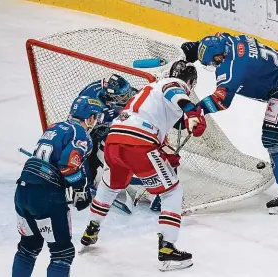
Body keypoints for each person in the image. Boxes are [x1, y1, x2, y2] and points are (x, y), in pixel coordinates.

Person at [180, 33, 278, 214]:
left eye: (214, 62)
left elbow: (221, 100)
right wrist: (197, 48)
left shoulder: (231, 68)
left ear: (219, 57)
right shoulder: (231, 40)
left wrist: (194, 111)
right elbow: (215, 41)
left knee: (272, 138)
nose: (214, 66)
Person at [80, 60, 203, 271]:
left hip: (115, 140)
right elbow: (176, 94)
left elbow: (159, 121)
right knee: (172, 193)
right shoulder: (175, 85)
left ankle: (91, 228)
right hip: (139, 143)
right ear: (190, 81)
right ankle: (167, 249)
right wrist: (193, 114)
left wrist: (165, 152)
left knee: (110, 186)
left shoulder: (150, 90)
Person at [12, 96, 103, 277]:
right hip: (46, 195)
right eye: (96, 117)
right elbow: (67, 166)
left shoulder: (54, 127)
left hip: (22, 191)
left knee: (28, 247)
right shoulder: (81, 134)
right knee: (62, 254)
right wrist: (81, 189)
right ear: (90, 117)